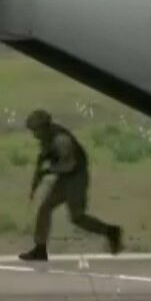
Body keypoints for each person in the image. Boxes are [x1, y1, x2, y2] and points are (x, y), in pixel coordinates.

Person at [22, 109, 123, 261]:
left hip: (76, 176)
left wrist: (47, 171)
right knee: (45, 208)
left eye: (36, 130)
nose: (34, 135)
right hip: (64, 176)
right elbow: (44, 157)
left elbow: (68, 166)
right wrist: (37, 179)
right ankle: (40, 249)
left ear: (44, 127)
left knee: (77, 217)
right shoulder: (46, 137)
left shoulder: (61, 140)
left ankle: (111, 231)